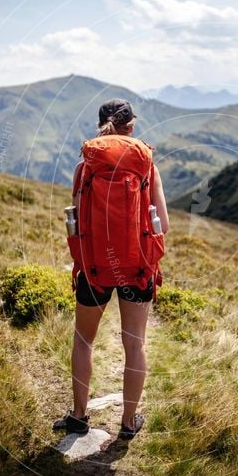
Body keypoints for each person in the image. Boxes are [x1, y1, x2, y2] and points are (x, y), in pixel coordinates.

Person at [55, 98, 169, 440]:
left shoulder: (85, 166)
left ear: (100, 125)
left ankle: (78, 416)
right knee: (135, 345)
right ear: (131, 127)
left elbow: (75, 220)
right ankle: (128, 422)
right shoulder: (146, 164)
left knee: (83, 340)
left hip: (94, 268)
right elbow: (162, 222)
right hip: (136, 266)